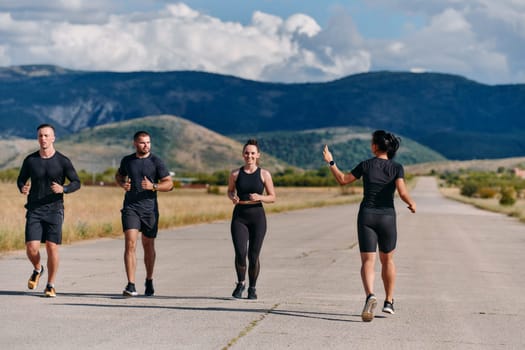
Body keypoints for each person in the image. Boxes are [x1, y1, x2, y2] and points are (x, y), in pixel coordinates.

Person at [323, 130, 416, 322]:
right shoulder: (396, 167)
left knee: (368, 261)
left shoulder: (366, 165)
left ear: (375, 146)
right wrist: (411, 203)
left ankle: (370, 295)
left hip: (366, 216)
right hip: (387, 217)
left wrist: (331, 162)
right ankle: (389, 301)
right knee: (388, 260)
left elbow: (342, 180)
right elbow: (402, 192)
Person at [17, 123, 81, 298]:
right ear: (37, 138)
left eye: (46, 135)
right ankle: (38, 269)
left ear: (53, 138)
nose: (43, 139)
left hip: (54, 210)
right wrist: (22, 188)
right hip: (35, 210)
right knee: (32, 248)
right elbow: (21, 180)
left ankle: (50, 285)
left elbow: (76, 182)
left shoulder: (62, 161)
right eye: (40, 136)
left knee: (52, 247)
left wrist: (64, 189)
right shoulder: (30, 160)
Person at [115, 131, 173, 297]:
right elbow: (119, 175)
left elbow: (169, 184)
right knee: (130, 243)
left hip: (149, 210)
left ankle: (149, 279)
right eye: (142, 143)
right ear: (135, 143)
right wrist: (122, 184)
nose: (146, 145)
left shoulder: (156, 161)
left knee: (148, 246)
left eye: (148, 142)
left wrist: (153, 186)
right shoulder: (127, 160)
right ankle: (131, 284)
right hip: (131, 208)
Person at [227, 139, 276, 299]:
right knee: (240, 253)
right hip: (240, 217)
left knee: (253, 256)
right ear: (243, 155)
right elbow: (229, 191)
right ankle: (241, 283)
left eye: (252, 153)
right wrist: (232, 197)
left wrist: (260, 197)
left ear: (258, 155)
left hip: (257, 218)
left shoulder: (264, 174)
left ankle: (252, 288)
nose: (249, 156)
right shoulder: (235, 174)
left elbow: (272, 197)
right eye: (247, 153)